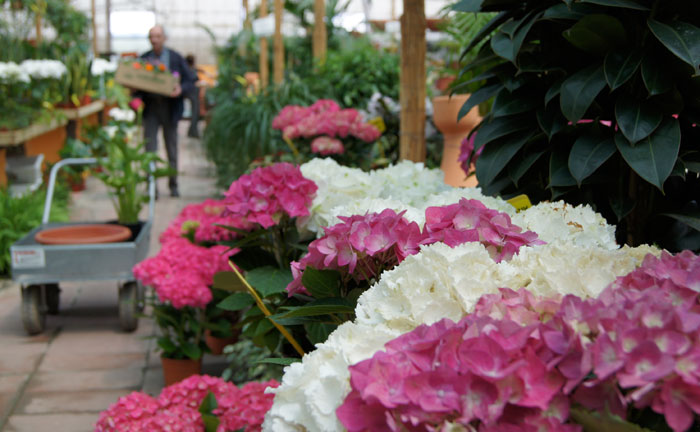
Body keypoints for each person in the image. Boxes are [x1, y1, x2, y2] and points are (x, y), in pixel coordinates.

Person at [139, 25, 196, 198]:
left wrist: (180, 89)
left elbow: (191, 80)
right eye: (151, 36)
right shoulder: (144, 59)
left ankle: (173, 185)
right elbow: (136, 83)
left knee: (171, 148)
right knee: (150, 149)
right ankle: (151, 188)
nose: (154, 39)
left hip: (170, 108)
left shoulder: (175, 57)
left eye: (158, 36)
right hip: (150, 109)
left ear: (164, 38)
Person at [184, 54, 201, 138]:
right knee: (195, 112)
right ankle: (193, 131)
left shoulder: (188, 69)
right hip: (192, 93)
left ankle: (192, 131)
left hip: (191, 93)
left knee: (195, 112)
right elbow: (195, 80)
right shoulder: (189, 70)